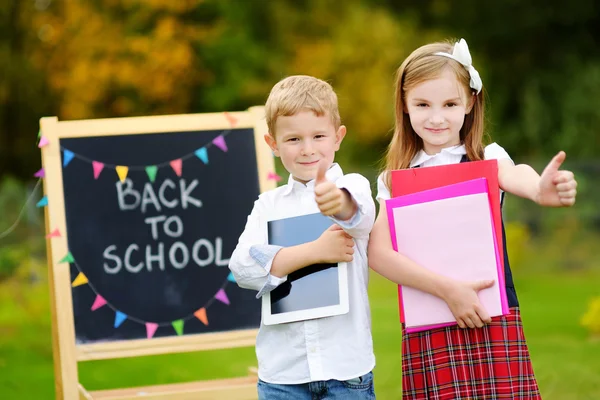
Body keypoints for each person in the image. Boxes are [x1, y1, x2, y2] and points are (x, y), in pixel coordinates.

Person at [368, 38, 577, 399]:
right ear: (404, 106)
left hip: (492, 316)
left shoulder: (487, 158)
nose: (437, 117)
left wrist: (540, 189)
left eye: (449, 104)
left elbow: (518, 173)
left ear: (469, 103)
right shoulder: (394, 178)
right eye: (422, 104)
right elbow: (378, 253)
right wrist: (449, 291)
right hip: (428, 320)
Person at [229, 75, 376, 399]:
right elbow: (242, 268)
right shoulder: (268, 205)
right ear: (273, 143)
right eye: (293, 139)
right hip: (283, 373)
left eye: (318, 136)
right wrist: (315, 251)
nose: (307, 149)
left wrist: (339, 204)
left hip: (346, 371)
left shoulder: (352, 186)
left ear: (338, 137)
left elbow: (359, 214)